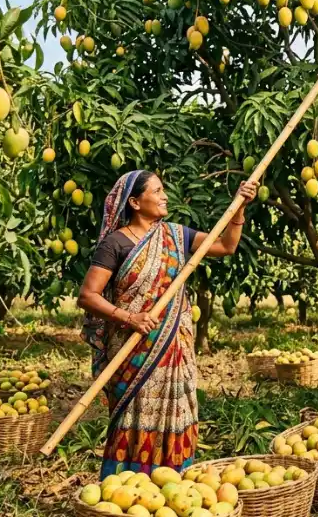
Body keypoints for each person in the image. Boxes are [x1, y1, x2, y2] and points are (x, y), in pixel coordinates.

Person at [78, 170, 258, 476]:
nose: (164, 196)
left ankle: (172, 484)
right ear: (135, 202)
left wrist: (239, 206)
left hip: (174, 346)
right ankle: (125, 487)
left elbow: (226, 245)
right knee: (132, 421)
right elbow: (88, 295)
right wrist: (129, 317)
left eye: (164, 190)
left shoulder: (176, 235)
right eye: (157, 191)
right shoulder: (116, 244)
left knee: (177, 414)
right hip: (132, 349)